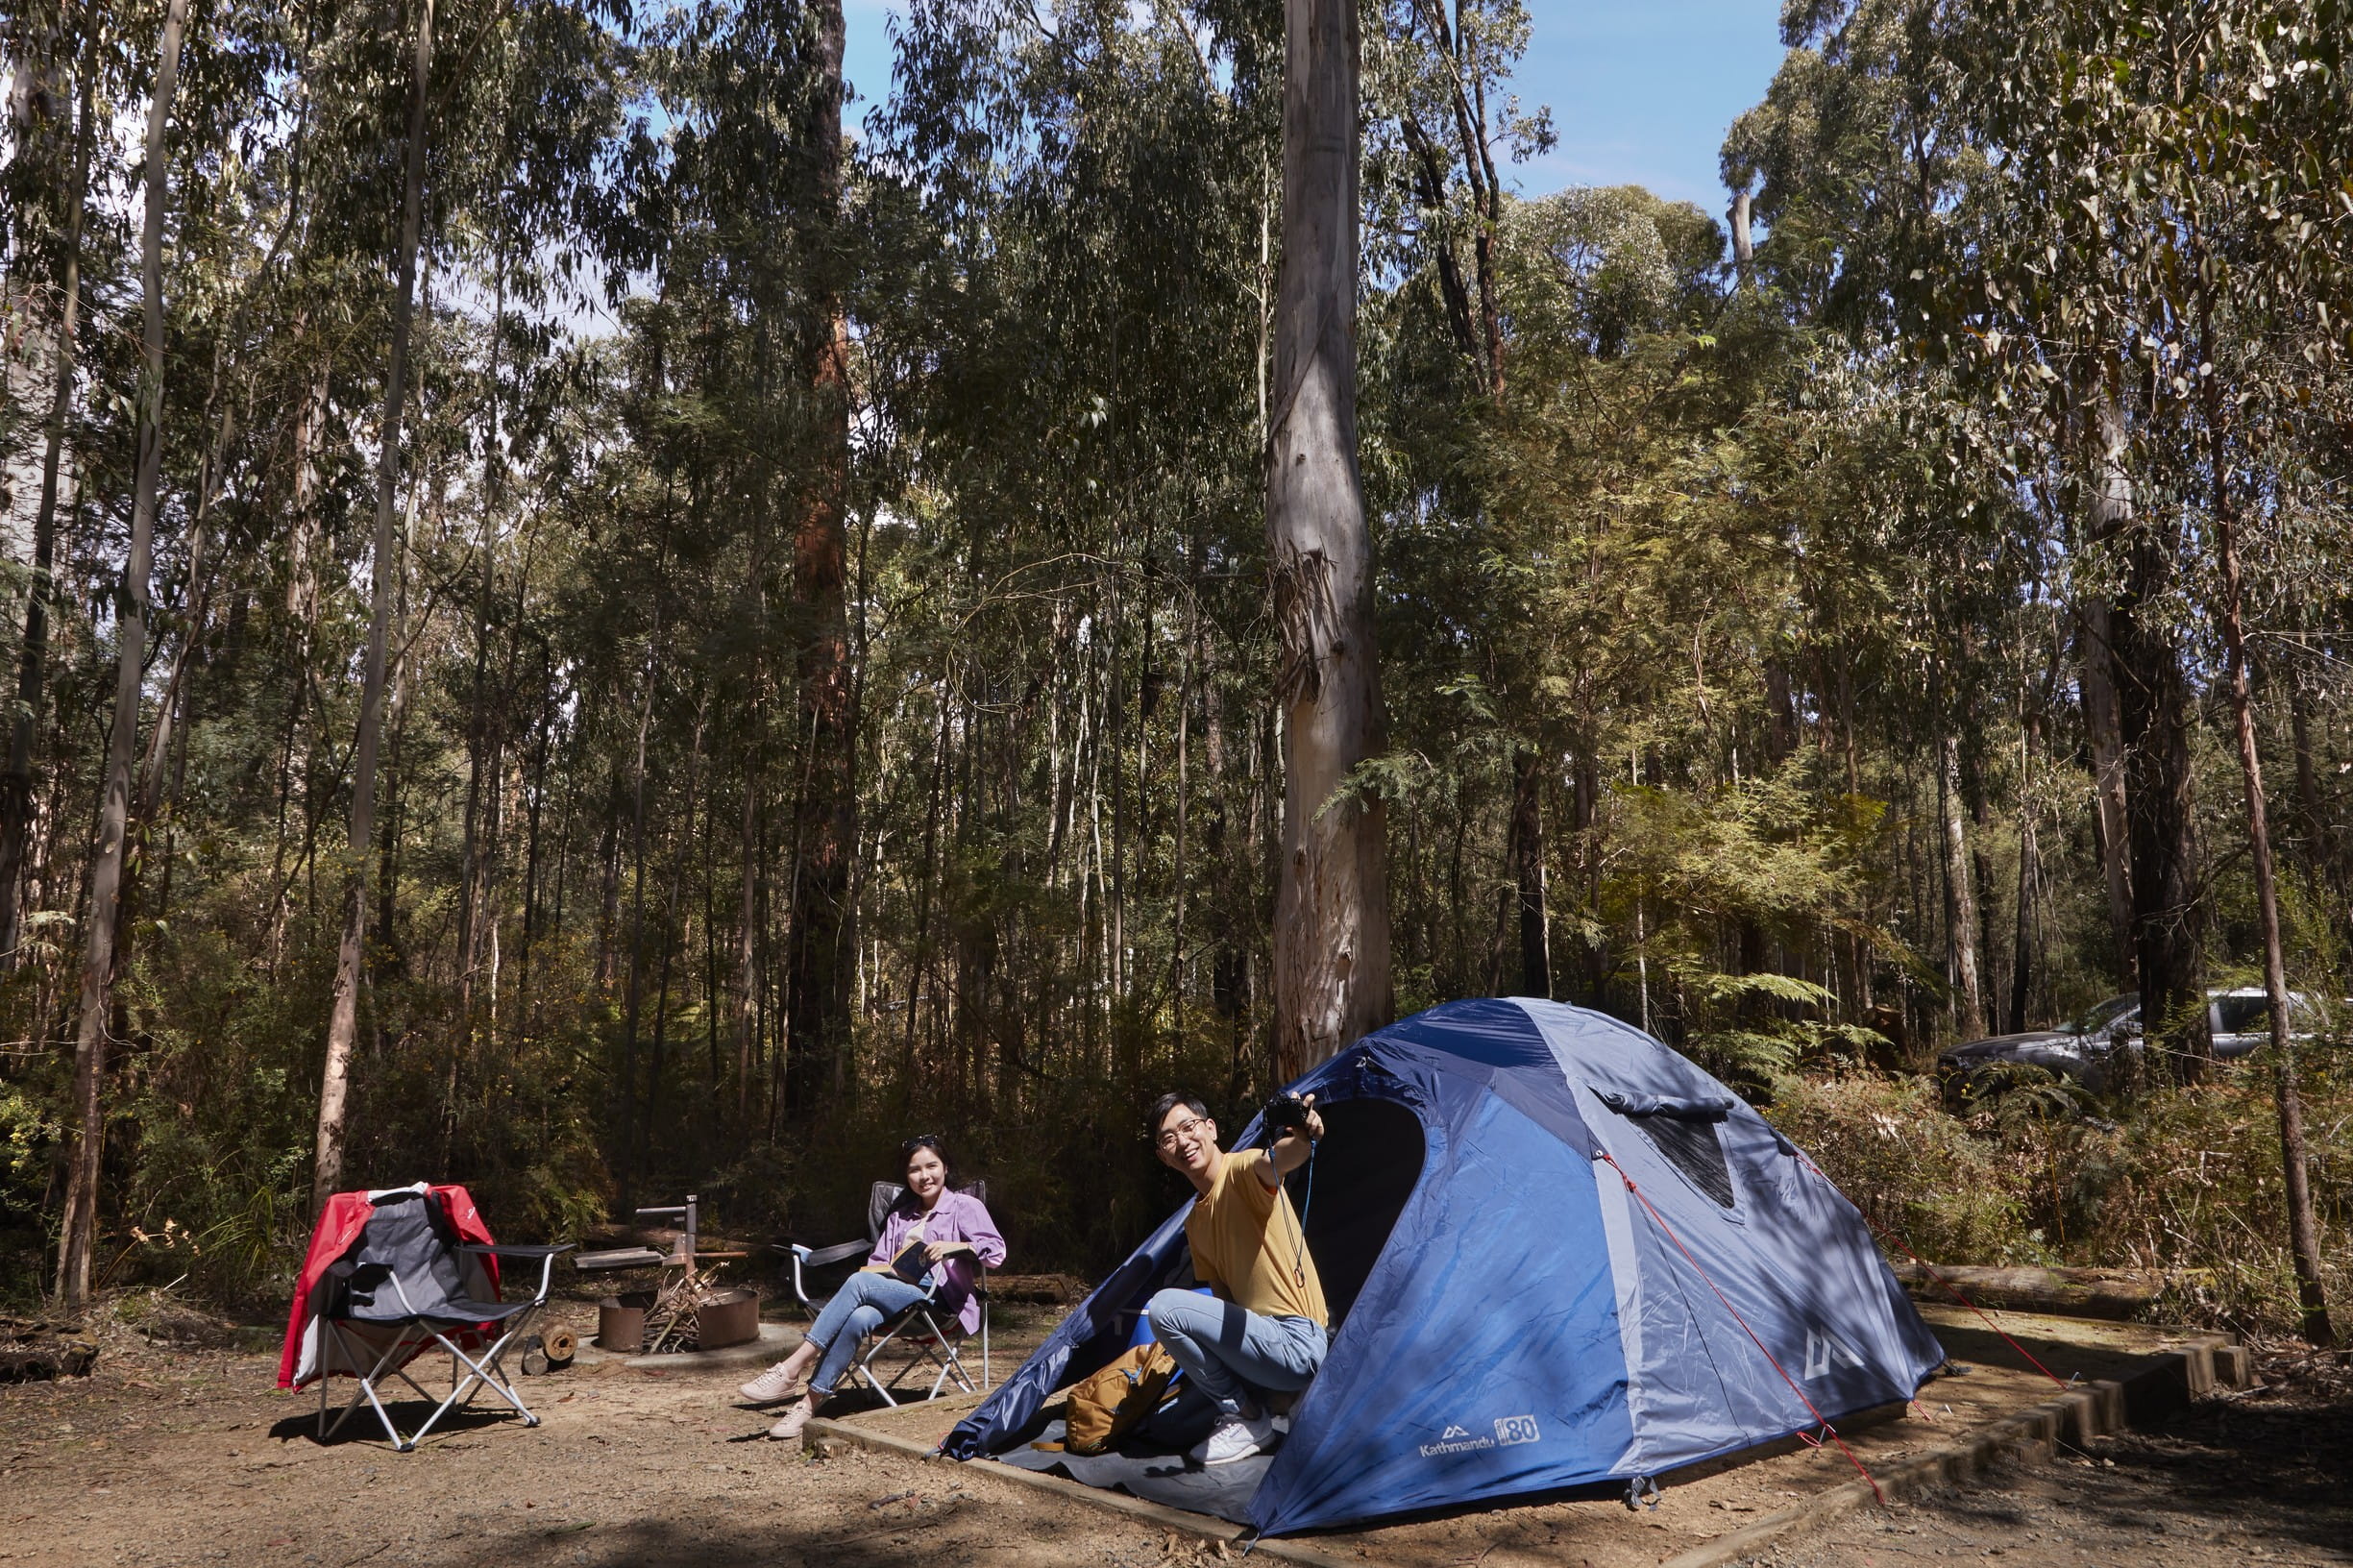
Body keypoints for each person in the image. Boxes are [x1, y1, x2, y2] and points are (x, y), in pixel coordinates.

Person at [739, 1135, 1005, 1440]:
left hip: (938, 1300)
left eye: (932, 1166)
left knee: (857, 1281)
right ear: (906, 1176)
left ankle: (791, 1367)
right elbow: (878, 1263)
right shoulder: (899, 1217)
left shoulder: (964, 1206)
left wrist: (954, 1247)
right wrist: (886, 1271)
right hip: (894, 1292)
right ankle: (807, 1405)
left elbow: (996, 1252)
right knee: (858, 1317)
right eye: (914, 1170)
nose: (924, 1176)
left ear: (945, 1167)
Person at [1144, 1090, 1327, 1467]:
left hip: (1298, 1341)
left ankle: (1248, 1419)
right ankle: (1258, 1409)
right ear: (1163, 1157)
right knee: (1168, 1426)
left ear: (1211, 1129)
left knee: (1163, 1308)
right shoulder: (1196, 1223)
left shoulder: (1242, 1170)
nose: (1182, 1141)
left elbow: (1284, 1156)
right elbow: (1225, 1304)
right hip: (1258, 1346)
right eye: (1169, 1138)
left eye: (1188, 1127)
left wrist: (1305, 1134)